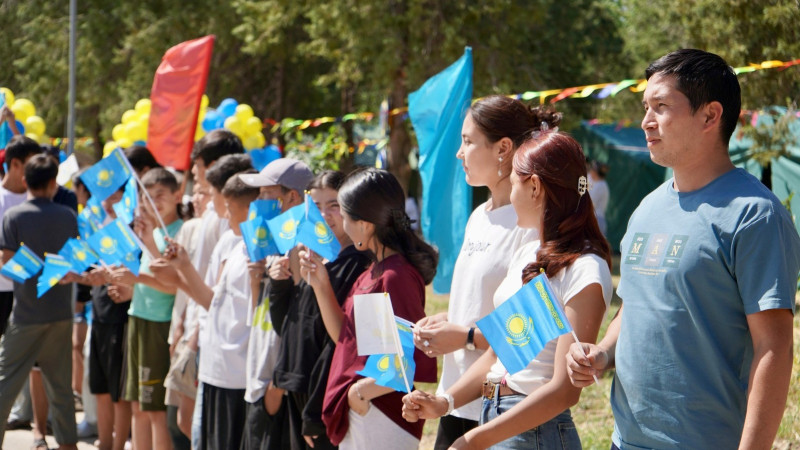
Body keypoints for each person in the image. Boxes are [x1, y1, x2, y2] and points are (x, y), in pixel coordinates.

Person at [565, 49, 800, 449]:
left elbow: (774, 347)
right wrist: (603, 353)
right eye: (645, 107)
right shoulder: (646, 208)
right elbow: (636, 305)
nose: (645, 122)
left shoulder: (755, 215)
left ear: (710, 116)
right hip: (625, 440)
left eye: (661, 106)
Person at [402, 129, 613, 449]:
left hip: (533, 432)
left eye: (513, 181)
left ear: (534, 187)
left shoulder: (585, 267)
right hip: (499, 420)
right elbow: (502, 351)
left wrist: (472, 440)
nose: (509, 194)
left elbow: (564, 390)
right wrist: (444, 403)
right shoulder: (533, 253)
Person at [411, 95, 541, 449]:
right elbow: (477, 305)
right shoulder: (478, 216)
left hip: (499, 405)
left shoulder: (530, 225)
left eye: (467, 141)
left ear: (503, 148)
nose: (459, 152)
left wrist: (465, 336)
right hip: (454, 397)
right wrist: (446, 323)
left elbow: (532, 333)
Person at [300, 168, 439, 449]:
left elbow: (404, 360)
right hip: (367, 413)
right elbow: (347, 338)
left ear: (364, 225)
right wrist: (320, 284)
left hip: (382, 415)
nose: (340, 222)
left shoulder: (395, 275)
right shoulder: (377, 270)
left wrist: (360, 395)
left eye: (344, 213)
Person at [267, 170, 370, 450]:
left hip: (324, 396)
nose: (324, 215)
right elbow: (288, 325)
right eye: (316, 206)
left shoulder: (358, 264)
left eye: (334, 206)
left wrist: (316, 410)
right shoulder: (312, 257)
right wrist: (279, 286)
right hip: (297, 385)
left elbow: (339, 343)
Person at [157, 165, 258, 450]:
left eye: (227, 206)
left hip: (238, 375)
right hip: (213, 368)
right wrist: (183, 267)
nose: (223, 213)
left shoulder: (259, 249)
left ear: (247, 208)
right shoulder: (229, 241)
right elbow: (213, 301)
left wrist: (182, 272)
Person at [0, 154, 79, 450]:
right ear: (53, 183)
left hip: (25, 313)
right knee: (61, 388)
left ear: (25, 181)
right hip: (61, 313)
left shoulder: (14, 217)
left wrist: (32, 268)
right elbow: (73, 260)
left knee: (5, 384)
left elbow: (7, 261)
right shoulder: (68, 216)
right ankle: (68, 444)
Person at [238, 157, 314, 450]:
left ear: (291, 196)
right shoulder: (272, 240)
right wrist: (257, 279)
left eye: (266, 193)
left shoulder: (307, 243)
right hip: (258, 380)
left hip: (277, 386)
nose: (259, 199)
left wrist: (278, 384)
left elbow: (303, 318)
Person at [112, 168, 184, 450]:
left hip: (160, 325)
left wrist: (136, 279)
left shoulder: (179, 233)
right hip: (138, 320)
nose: (154, 203)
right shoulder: (150, 232)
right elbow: (149, 281)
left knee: (155, 409)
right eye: (148, 197)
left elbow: (176, 286)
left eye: (160, 195)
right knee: (138, 407)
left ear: (177, 195)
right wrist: (128, 290)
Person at [586, 160, 609, 236]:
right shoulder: (596, 183)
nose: (590, 171)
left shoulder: (601, 185)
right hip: (595, 219)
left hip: (597, 220)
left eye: (592, 169)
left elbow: (591, 203)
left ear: (595, 172)